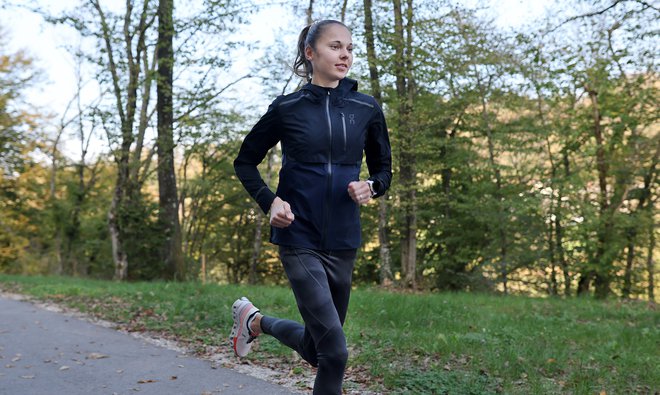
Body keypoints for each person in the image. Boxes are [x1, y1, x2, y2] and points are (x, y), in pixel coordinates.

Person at [230, 19, 392, 395]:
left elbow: (384, 170)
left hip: (343, 240)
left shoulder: (366, 108)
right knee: (335, 351)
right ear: (310, 53)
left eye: (349, 48)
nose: (345, 54)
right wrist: (270, 202)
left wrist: (372, 186)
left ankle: (255, 321)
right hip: (298, 235)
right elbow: (245, 162)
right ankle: (255, 322)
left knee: (319, 350)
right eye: (335, 46)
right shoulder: (288, 108)